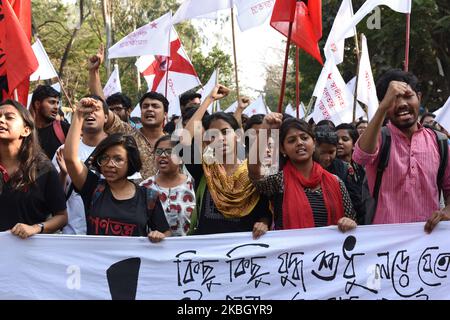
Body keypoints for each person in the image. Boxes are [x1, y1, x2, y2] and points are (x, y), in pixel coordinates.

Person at [63, 98, 170, 241]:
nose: (110, 164)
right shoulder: (93, 188)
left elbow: (166, 233)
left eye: (118, 159)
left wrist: (160, 236)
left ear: (130, 162)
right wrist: (78, 116)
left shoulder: (148, 197)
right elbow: (70, 159)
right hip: (96, 262)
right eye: (104, 158)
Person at [352, 69, 450, 225]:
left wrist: (447, 211)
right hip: (385, 243)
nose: (402, 104)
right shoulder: (380, 138)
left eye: (408, 96)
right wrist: (381, 109)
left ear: (419, 97)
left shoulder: (440, 142)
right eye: (393, 99)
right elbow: (360, 157)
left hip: (428, 242)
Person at [183, 84, 272, 239]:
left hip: (244, 251)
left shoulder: (254, 170)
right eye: (213, 134)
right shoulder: (203, 168)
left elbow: (265, 212)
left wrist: (264, 222)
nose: (220, 139)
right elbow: (184, 140)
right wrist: (209, 99)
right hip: (207, 252)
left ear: (237, 135)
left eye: (225, 132)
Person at [248, 113, 356, 232]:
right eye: (291, 140)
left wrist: (349, 222)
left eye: (304, 138)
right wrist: (265, 129)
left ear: (314, 143)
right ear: (283, 149)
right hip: (292, 249)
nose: (299, 143)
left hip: (331, 250)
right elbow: (254, 173)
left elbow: (351, 218)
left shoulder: (336, 181)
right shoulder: (278, 181)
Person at [88, 47, 166, 180]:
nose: (150, 109)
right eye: (145, 106)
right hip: (132, 199)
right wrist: (94, 72)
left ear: (166, 114)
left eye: (155, 106)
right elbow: (103, 108)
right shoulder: (128, 134)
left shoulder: (173, 142)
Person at [0, 100, 68, 237]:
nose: (1, 120)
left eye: (9, 117)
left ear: (26, 130)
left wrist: (36, 228)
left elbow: (62, 217)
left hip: (27, 252)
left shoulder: (43, 169)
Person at [52, 95, 108, 234]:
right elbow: (54, 196)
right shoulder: (63, 151)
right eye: (86, 110)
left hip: (108, 234)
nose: (90, 113)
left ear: (106, 117)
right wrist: (64, 174)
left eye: (95, 109)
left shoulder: (118, 150)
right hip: (72, 233)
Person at [140, 135, 195, 237]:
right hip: (155, 249)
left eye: (169, 152)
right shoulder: (145, 187)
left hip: (188, 250)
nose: (163, 155)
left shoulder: (193, 185)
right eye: (158, 152)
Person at [335, 123, 366, 224]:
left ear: (354, 144)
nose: (339, 142)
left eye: (345, 139)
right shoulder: (329, 168)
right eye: (336, 139)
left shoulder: (361, 166)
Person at [30, 85, 70, 159]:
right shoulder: (26, 131)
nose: (56, 107)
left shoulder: (65, 129)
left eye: (57, 103)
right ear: (37, 104)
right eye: (52, 102)